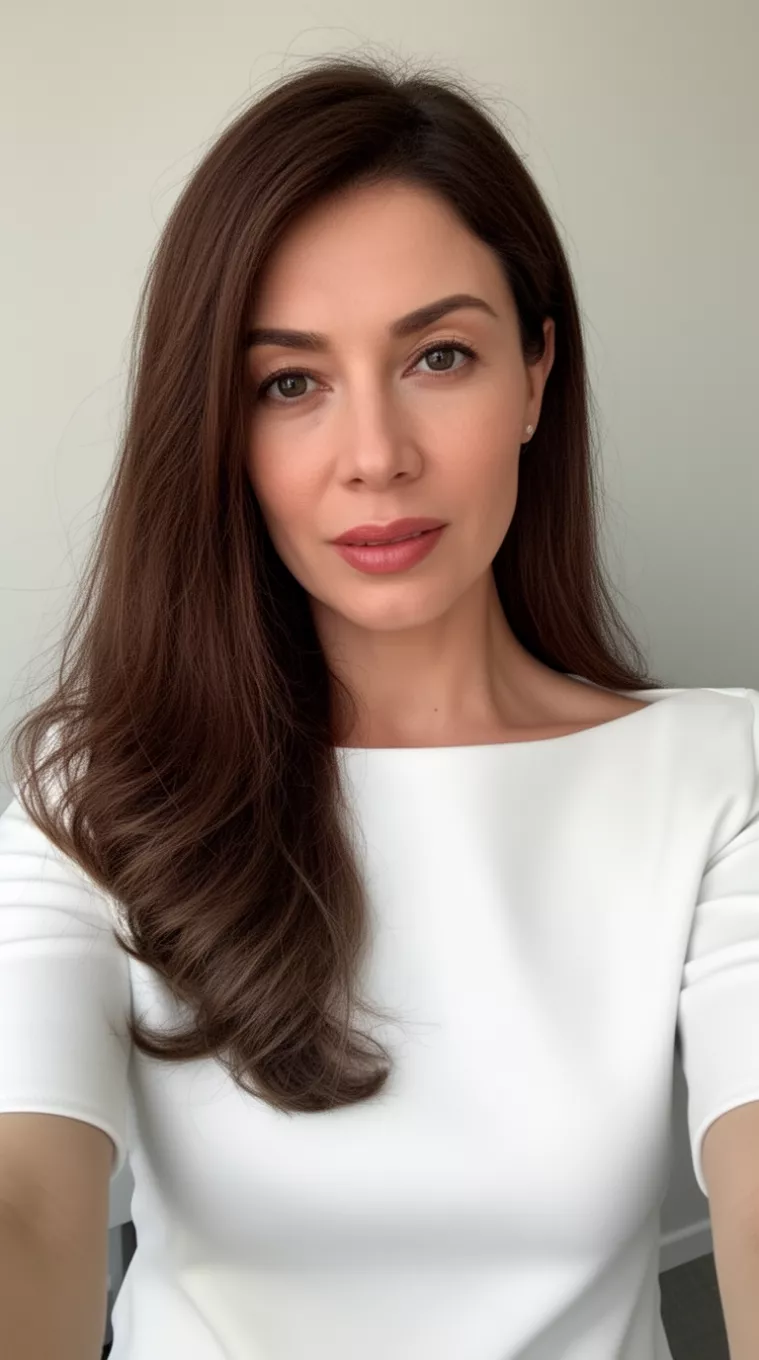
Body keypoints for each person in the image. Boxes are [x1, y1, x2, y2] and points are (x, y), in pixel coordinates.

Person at [0, 53, 757, 1360]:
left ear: (533, 375)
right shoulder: (93, 795)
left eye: (440, 355)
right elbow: (28, 1205)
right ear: (221, 434)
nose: (374, 455)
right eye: (288, 383)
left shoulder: (714, 771)